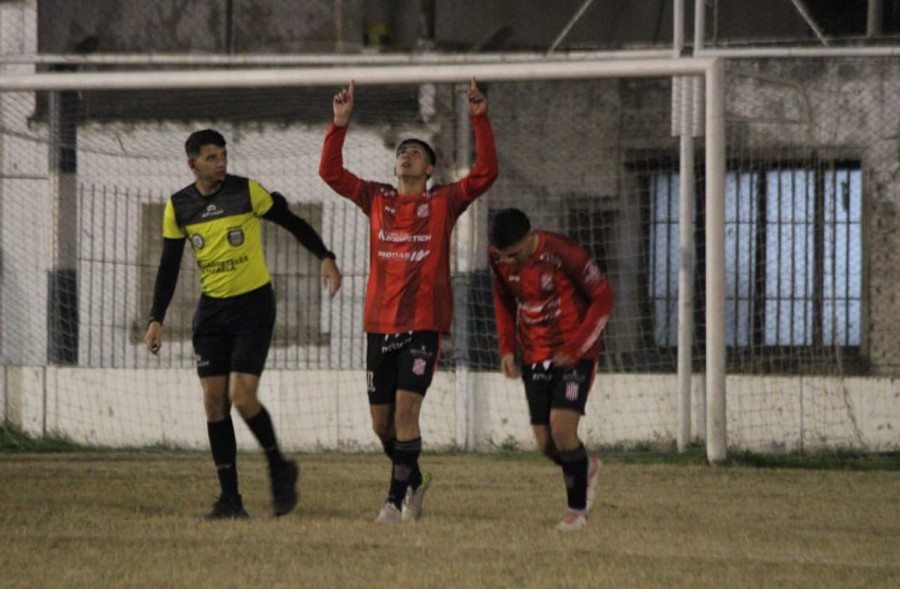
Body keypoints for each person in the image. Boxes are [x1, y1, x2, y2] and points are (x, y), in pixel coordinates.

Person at [319, 78, 499, 523]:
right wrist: (339, 124)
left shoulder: (444, 202)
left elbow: (486, 173)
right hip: (379, 324)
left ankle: (393, 503)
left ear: (430, 169)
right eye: (402, 151)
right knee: (381, 426)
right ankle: (414, 479)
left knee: (405, 413)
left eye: (416, 152)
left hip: (422, 323)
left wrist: (479, 118)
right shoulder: (376, 198)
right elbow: (331, 174)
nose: (406, 155)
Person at [144, 129, 342, 519]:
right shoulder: (178, 207)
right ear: (193, 164)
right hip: (212, 312)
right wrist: (156, 319)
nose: (221, 163)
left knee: (241, 396)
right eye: (212, 157)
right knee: (213, 402)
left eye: (223, 155)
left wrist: (325, 255)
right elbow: (168, 267)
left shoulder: (247, 192)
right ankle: (230, 499)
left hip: (253, 307)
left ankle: (278, 467)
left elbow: (291, 220)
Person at [488, 208, 614, 531]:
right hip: (534, 353)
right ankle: (585, 467)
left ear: (530, 238)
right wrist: (507, 347)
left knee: (562, 429)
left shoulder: (564, 252)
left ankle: (577, 512)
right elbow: (502, 297)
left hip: (575, 353)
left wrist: (577, 348)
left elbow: (603, 298)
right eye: (504, 256)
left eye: (514, 254)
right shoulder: (498, 258)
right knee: (546, 443)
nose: (509, 262)